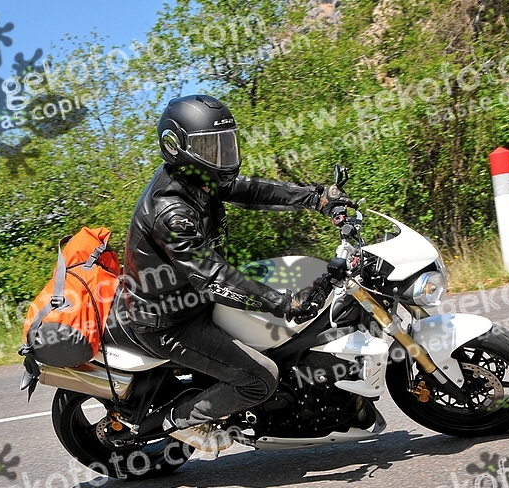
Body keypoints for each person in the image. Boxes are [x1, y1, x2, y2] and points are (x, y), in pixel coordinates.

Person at [122, 94, 356, 452]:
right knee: (260, 378)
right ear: (176, 148)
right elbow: (214, 277)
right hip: (170, 323)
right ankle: (179, 421)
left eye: (225, 144)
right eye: (209, 148)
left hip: (193, 300)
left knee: (283, 330)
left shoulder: (198, 178)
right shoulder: (170, 212)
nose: (221, 156)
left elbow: (253, 190)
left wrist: (317, 198)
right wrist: (284, 303)